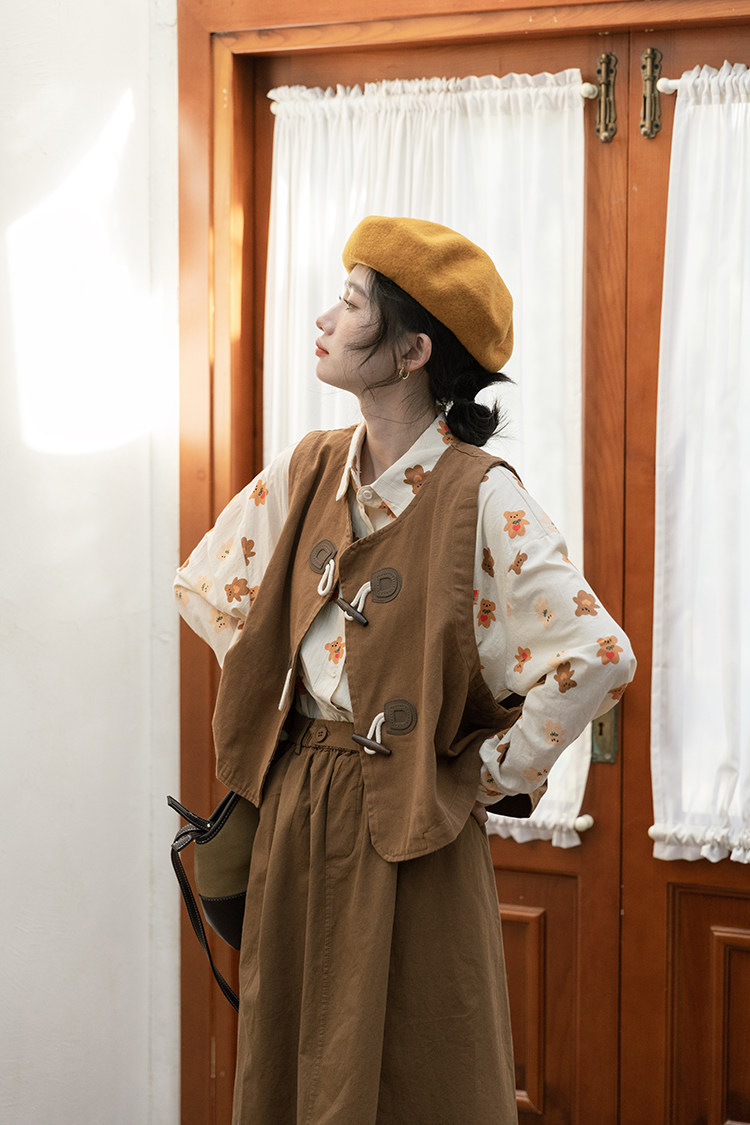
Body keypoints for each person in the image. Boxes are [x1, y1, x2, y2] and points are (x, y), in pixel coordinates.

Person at [174, 215, 636, 1124]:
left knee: (416, 1072)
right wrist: (289, 708)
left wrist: (485, 773)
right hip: (297, 810)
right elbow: (212, 586)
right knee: (291, 1062)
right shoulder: (310, 468)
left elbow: (599, 654)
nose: (324, 318)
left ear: (413, 350)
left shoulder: (483, 497)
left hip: (415, 828)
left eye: (351, 305)